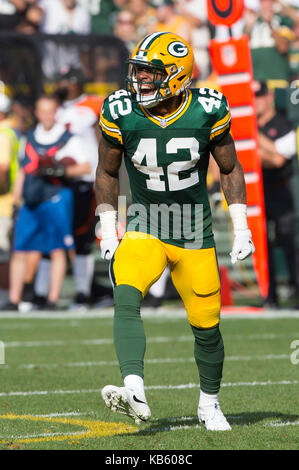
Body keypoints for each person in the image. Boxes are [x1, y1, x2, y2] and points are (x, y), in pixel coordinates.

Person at [96, 32, 255, 431]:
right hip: (145, 224)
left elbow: (230, 167)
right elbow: (107, 171)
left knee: (207, 327)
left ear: (177, 76)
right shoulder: (121, 110)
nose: (141, 81)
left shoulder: (207, 108)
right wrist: (107, 226)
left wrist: (240, 226)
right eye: (140, 73)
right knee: (126, 294)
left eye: (151, 74)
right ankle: (134, 387)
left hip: (193, 230)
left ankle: (210, 403)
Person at [6, 94, 91, 310]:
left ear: (56, 113)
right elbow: (23, 172)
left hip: (56, 196)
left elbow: (86, 167)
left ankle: (52, 299)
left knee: (56, 249)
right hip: (32, 197)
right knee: (19, 250)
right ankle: (15, 299)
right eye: (42, 112)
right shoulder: (30, 136)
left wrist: (62, 170)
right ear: (37, 113)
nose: (46, 116)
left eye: (50, 111)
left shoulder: (68, 137)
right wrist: (17, 199)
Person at [255, 80, 299, 308]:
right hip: (258, 193)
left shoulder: (282, 123)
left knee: (290, 242)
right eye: (253, 97)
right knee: (262, 246)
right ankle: (269, 296)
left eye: (260, 96)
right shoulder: (254, 125)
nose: (257, 101)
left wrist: (254, 138)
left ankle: (296, 289)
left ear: (269, 97)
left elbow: (278, 159)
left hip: (280, 190)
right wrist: (266, 151)